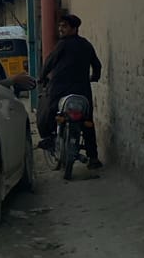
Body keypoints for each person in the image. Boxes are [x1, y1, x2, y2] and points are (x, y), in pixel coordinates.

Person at [37, 14, 103, 169]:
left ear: (74, 28)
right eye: (60, 26)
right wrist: (94, 77)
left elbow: (50, 62)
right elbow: (97, 65)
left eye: (64, 26)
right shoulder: (86, 44)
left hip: (60, 88)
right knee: (87, 122)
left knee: (47, 110)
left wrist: (41, 77)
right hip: (82, 90)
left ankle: (47, 138)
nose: (61, 29)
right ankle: (93, 157)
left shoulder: (63, 44)